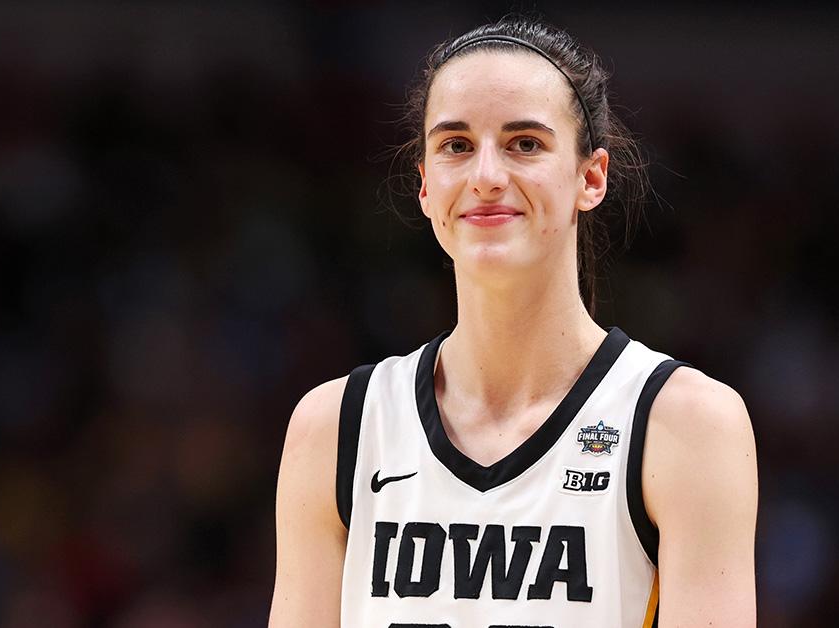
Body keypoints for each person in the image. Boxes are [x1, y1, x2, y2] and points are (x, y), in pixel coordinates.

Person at [270, 15, 757, 628]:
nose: (487, 177)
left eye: (525, 143)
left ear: (590, 177)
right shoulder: (335, 427)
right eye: (455, 146)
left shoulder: (684, 423)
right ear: (424, 186)